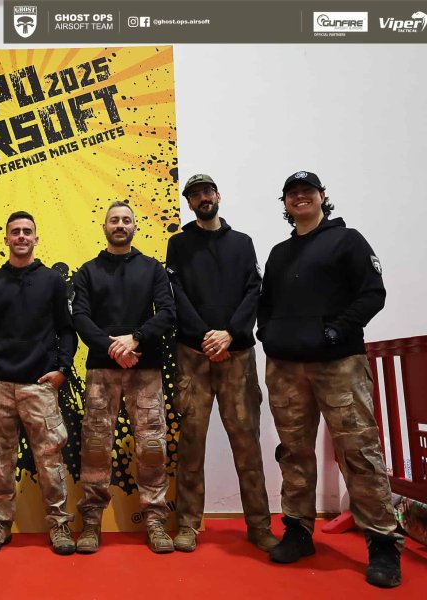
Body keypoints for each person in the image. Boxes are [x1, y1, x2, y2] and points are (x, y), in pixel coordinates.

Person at [258, 170, 403, 588]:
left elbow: (373, 293)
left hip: (339, 364)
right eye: (292, 193)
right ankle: (298, 531)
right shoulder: (280, 253)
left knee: (359, 451)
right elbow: (266, 304)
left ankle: (382, 543)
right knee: (293, 453)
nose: (300, 197)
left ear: (322, 196)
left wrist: (336, 331)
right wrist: (268, 335)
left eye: (308, 191)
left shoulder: (348, 240)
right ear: (285, 204)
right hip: (285, 367)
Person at [166, 174, 278, 553]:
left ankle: (259, 526)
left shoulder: (242, 243)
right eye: (195, 195)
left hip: (237, 354)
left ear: (218, 196)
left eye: (207, 192)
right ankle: (187, 525)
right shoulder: (178, 244)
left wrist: (229, 334)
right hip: (192, 356)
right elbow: (176, 294)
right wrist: (205, 337)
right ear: (189, 202)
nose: (203, 198)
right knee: (191, 444)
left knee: (247, 444)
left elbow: (253, 291)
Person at [72, 201, 176, 554]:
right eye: (114, 220)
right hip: (102, 370)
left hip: (145, 369)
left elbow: (167, 313)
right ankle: (91, 522)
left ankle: (155, 521)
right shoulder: (87, 272)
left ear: (135, 227)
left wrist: (136, 339)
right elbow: (80, 318)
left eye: (126, 220)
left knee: (151, 446)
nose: (120, 225)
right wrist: (112, 347)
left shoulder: (152, 269)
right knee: (95, 447)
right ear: (104, 227)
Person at [0, 211, 77, 555]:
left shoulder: (52, 281)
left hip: (40, 386)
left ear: (35, 238)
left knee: (50, 461)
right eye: (15, 231)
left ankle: (59, 526)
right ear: (6, 239)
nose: (21, 236)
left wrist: (63, 369)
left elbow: (66, 330)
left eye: (26, 231)